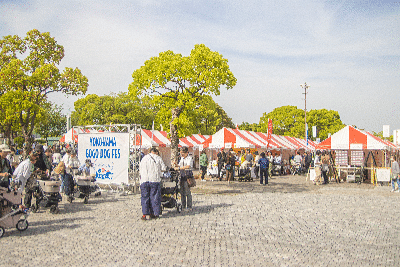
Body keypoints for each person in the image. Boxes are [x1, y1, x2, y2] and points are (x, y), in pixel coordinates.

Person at [139, 147, 167, 220]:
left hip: (144, 180)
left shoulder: (144, 158)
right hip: (154, 180)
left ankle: (144, 214)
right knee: (154, 197)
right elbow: (164, 168)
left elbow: (140, 168)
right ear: (156, 152)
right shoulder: (158, 158)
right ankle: (154, 213)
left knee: (145, 197)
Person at [177, 147, 193, 211]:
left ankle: (189, 206)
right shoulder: (181, 158)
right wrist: (176, 165)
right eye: (181, 153)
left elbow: (188, 166)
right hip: (182, 176)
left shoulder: (189, 158)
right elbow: (180, 165)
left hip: (187, 176)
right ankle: (183, 206)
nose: (181, 155)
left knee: (187, 192)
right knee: (182, 192)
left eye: (182, 153)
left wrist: (179, 168)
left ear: (186, 153)